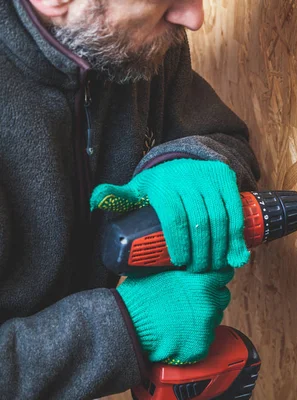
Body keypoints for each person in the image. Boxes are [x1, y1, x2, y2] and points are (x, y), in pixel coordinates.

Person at [0, 0, 261, 398]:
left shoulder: (140, 43)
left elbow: (218, 133)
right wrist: (126, 327)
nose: (194, 17)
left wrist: (190, 161)